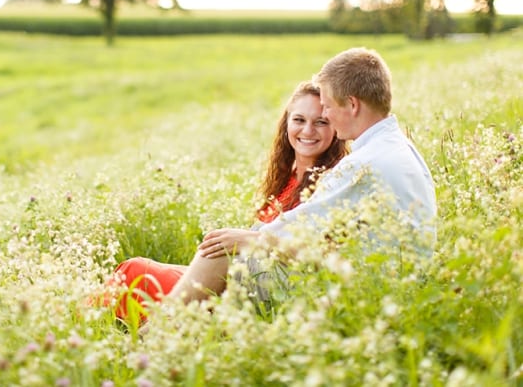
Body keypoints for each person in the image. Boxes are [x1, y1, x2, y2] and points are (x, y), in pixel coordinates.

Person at [164, 47, 437, 305]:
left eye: (327, 108)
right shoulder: (399, 147)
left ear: (352, 105)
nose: (326, 113)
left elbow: (293, 234)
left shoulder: (363, 164)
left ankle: (152, 335)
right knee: (226, 260)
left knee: (221, 251)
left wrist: (243, 239)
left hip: (363, 292)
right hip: (387, 283)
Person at [104, 81, 348, 320]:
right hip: (232, 279)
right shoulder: (287, 178)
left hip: (259, 292)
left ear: (336, 129)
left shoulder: (334, 185)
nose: (307, 131)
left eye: (321, 122)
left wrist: (246, 241)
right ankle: (93, 324)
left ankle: (140, 333)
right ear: (286, 123)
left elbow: (321, 254)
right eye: (299, 120)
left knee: (137, 273)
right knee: (134, 270)